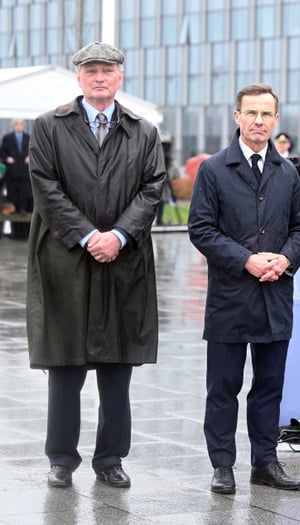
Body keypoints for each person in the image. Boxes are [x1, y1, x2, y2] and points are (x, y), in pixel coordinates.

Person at [26, 42, 166, 489]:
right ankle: (61, 459)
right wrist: (88, 235)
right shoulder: (50, 126)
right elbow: (45, 186)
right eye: (91, 71)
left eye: (107, 69)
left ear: (120, 76)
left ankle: (110, 459)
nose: (100, 77)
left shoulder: (142, 131)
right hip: (65, 258)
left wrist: (119, 236)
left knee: (116, 367)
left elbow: (152, 188)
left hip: (123, 262)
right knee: (65, 365)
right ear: (79, 78)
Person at [188, 83, 300, 495]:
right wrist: (246, 258)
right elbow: (201, 229)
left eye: (266, 114)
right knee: (223, 387)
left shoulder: (288, 172)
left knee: (269, 387)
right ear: (236, 117)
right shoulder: (213, 170)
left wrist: (286, 258)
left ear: (276, 120)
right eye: (251, 114)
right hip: (229, 297)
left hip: (275, 294)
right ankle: (222, 464)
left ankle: (265, 461)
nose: (259, 121)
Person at [0, 118, 32, 239]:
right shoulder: (7, 138)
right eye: (17, 125)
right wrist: (7, 159)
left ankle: (23, 209)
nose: (19, 126)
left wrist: (30, 157)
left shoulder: (28, 137)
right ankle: (14, 210)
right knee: (12, 193)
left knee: (24, 192)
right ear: (13, 126)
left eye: (21, 124)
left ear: (23, 126)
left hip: (24, 171)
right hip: (12, 172)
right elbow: (2, 152)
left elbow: (34, 150)